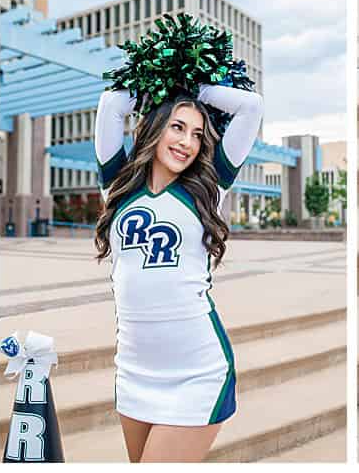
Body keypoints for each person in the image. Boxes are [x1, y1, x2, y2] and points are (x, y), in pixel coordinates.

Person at [93, 83, 264, 461]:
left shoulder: (210, 186)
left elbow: (251, 106)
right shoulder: (118, 185)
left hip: (196, 371)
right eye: (177, 127)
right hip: (134, 368)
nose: (187, 142)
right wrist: (164, 88)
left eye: (197, 134)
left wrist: (198, 90)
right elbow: (110, 104)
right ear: (154, 127)